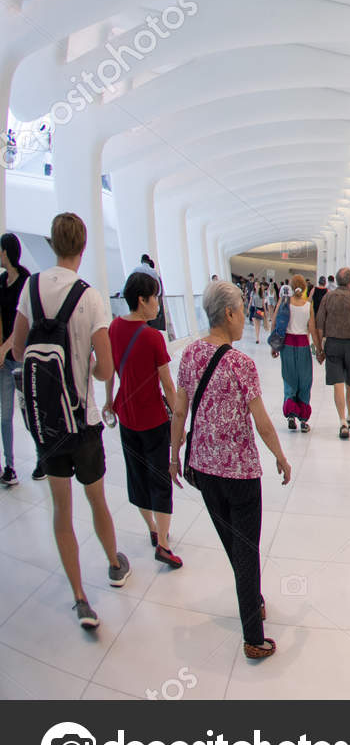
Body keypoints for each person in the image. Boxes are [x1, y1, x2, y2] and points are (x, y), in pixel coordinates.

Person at [11, 213, 126, 629]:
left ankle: (79, 597)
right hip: (83, 420)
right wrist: (88, 367)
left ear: (53, 242)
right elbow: (105, 367)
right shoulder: (90, 296)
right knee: (96, 499)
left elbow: (20, 349)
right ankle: (115, 564)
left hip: (48, 424)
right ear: (83, 245)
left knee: (61, 508)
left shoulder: (31, 287)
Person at [170, 279, 291, 660]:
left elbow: (178, 410)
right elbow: (263, 422)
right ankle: (253, 636)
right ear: (229, 313)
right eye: (241, 311)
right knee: (246, 550)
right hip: (239, 474)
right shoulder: (241, 363)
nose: (245, 318)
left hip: (204, 471)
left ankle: (252, 597)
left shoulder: (189, 355)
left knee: (234, 545)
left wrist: (174, 453)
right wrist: (280, 456)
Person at [107, 269, 183, 569]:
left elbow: (112, 369)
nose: (159, 305)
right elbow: (167, 385)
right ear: (142, 300)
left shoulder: (113, 328)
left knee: (136, 477)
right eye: (156, 299)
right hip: (153, 420)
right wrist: (178, 421)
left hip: (126, 416)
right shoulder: (152, 337)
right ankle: (163, 543)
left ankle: (152, 528)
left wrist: (108, 400)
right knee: (160, 480)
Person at [315, 267, 350, 440]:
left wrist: (319, 348)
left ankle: (342, 422)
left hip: (332, 344)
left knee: (337, 383)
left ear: (337, 281)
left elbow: (319, 323)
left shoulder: (328, 298)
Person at [0, 233, 31, 484]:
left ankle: (43, 460)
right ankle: (9, 467)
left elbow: (24, 321)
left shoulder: (26, 282)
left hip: (20, 357)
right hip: (3, 360)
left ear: (6, 252)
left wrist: (6, 347)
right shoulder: (1, 281)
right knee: (4, 415)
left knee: (28, 413)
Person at [273, 276, 321, 432]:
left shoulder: (285, 303)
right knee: (305, 381)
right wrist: (319, 350)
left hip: (287, 345)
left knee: (289, 379)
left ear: (291, 287)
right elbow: (312, 329)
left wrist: (274, 346)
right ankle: (303, 420)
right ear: (304, 288)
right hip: (303, 346)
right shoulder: (308, 306)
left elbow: (275, 322)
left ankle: (291, 416)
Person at [132, 253, 168, 337]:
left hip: (138, 304)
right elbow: (159, 291)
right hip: (148, 303)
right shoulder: (153, 272)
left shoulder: (135, 270)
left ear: (142, 260)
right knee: (151, 328)